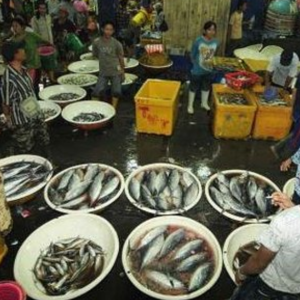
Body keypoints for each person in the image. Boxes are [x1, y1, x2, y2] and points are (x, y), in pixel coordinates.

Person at [230, 191, 300, 300]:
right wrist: (293, 207)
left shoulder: (286, 221)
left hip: (270, 283)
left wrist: (241, 272)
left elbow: (258, 263)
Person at [1, 41, 50, 156]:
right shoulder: (9, 78)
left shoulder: (23, 70)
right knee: (26, 149)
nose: (24, 51)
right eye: (21, 49)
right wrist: (9, 120)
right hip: (22, 121)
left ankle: (48, 164)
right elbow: (6, 103)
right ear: (15, 54)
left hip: (35, 113)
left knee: (43, 140)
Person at [11, 16, 50, 93]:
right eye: (13, 26)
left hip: (35, 65)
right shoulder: (13, 40)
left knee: (35, 87)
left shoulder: (31, 35)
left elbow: (44, 41)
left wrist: (49, 46)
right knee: (26, 88)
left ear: (23, 27)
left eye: (16, 26)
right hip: (23, 68)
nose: (14, 28)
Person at [188, 21, 219, 114]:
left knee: (206, 87)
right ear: (205, 30)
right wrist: (195, 65)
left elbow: (212, 55)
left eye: (213, 30)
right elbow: (192, 55)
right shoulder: (198, 41)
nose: (211, 32)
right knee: (193, 87)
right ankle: (190, 106)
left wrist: (211, 65)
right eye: (209, 29)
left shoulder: (216, 42)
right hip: (197, 70)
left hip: (209, 70)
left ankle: (204, 103)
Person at [92, 21, 125, 109]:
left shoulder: (117, 43)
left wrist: (122, 71)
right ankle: (95, 109)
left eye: (111, 30)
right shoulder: (96, 42)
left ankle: (113, 109)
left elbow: (121, 58)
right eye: (106, 29)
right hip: (103, 72)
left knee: (116, 91)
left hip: (115, 71)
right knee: (97, 92)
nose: (108, 32)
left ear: (113, 31)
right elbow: (95, 54)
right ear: (102, 29)